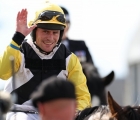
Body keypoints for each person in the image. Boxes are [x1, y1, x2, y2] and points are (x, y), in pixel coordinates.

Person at [0, 1, 91, 120]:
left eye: (55, 33)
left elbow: (82, 96)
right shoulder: (20, 50)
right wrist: (17, 38)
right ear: (34, 31)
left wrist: (77, 112)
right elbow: (2, 72)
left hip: (52, 115)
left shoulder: (70, 59)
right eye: (45, 32)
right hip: (19, 112)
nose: (50, 38)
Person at [60, 6, 99, 76]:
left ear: (69, 25)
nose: (62, 28)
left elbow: (91, 69)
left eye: (65, 24)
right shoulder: (46, 47)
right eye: (59, 25)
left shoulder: (80, 45)